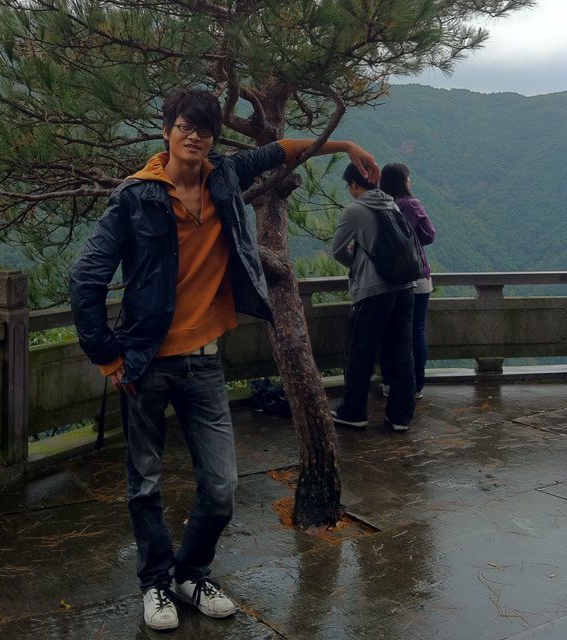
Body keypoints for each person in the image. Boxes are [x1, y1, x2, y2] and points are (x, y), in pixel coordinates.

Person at [69, 88, 379, 631]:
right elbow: (85, 278)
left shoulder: (224, 178)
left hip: (205, 361)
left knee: (221, 485)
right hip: (145, 364)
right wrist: (106, 357)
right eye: (185, 126)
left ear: (213, 138)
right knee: (145, 483)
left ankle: (191, 573)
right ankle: (155, 582)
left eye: (204, 129)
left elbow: (281, 151)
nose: (194, 136)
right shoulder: (135, 197)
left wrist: (345, 144)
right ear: (167, 130)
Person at [331, 163, 416, 432]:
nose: (349, 190)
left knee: (360, 351)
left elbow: (337, 250)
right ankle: (400, 416)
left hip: (374, 291)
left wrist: (357, 265)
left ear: (355, 184)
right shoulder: (392, 205)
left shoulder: (355, 210)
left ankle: (354, 411)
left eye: (349, 185)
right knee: (401, 351)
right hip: (405, 287)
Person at [379, 163, 435, 399]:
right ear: (403, 181)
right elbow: (429, 235)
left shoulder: (380, 205)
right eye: (408, 177)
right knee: (416, 331)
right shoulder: (410, 204)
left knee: (389, 331)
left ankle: (390, 382)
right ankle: (416, 385)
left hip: (388, 277)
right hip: (416, 276)